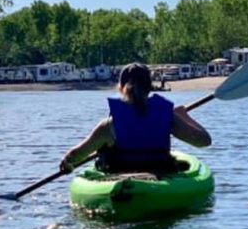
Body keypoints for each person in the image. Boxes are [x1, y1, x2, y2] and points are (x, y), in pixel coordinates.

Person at [60, 63, 211, 174]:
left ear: (120, 87)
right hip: (159, 177)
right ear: (149, 86)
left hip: (120, 178)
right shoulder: (168, 116)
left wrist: (67, 163)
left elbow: (76, 155)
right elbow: (204, 141)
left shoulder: (109, 125)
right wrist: (184, 116)